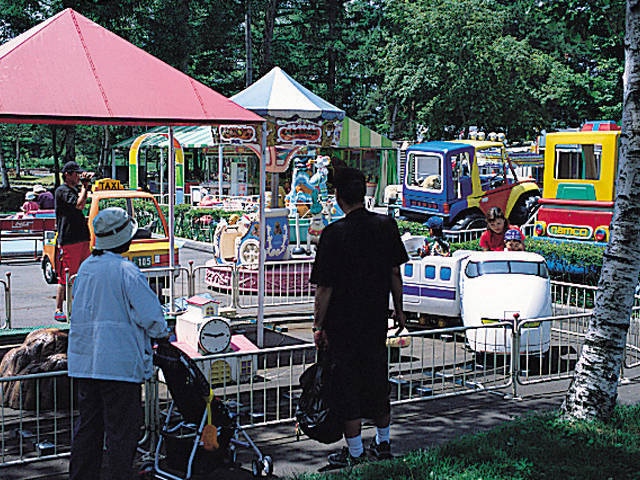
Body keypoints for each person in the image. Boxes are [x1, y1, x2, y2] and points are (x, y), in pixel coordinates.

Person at [310, 167, 408, 467]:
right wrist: (400, 311)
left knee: (348, 386)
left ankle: (355, 454)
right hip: (376, 319)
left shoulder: (334, 234)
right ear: (364, 194)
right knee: (378, 381)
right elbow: (395, 272)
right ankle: (384, 443)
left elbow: (324, 288)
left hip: (342, 325)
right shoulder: (386, 226)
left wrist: (318, 325)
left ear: (338, 198)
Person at [67, 207, 168, 480]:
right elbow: (152, 317)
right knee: (121, 434)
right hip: (119, 367)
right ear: (123, 240)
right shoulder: (127, 271)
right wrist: (163, 335)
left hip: (85, 364)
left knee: (88, 430)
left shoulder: (86, 268)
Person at [54, 161, 93, 322]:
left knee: (83, 274)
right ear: (67, 175)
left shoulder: (75, 190)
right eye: (76, 174)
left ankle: (79, 307)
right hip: (70, 240)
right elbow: (78, 205)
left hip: (82, 238)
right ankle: (59, 309)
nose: (78, 176)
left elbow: (82, 204)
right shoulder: (62, 191)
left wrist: (85, 186)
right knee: (67, 276)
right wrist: (84, 186)